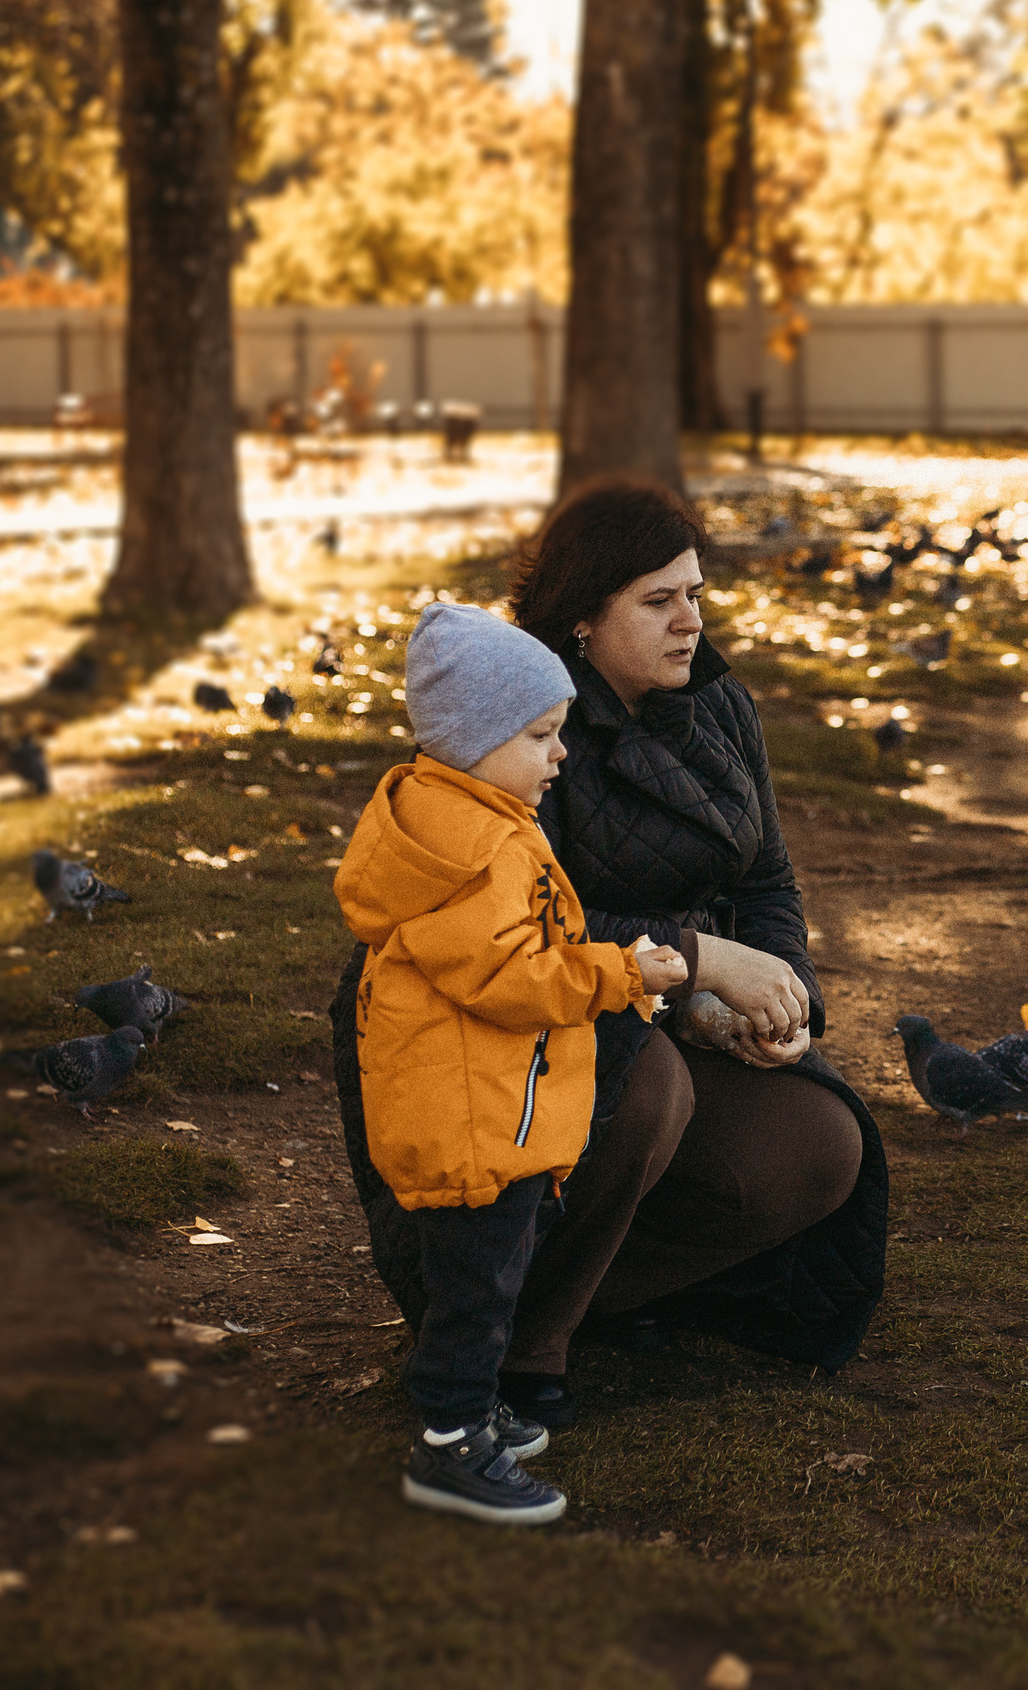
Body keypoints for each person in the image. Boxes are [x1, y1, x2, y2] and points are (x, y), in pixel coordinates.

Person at [335, 603, 688, 1524]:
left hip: (487, 1102)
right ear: (476, 740)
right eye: (539, 735)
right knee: (479, 1285)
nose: (559, 754)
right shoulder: (475, 847)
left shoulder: (479, 817)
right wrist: (618, 972)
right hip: (471, 1115)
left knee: (492, 1275)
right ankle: (448, 1441)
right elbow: (509, 976)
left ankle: (469, 1407)